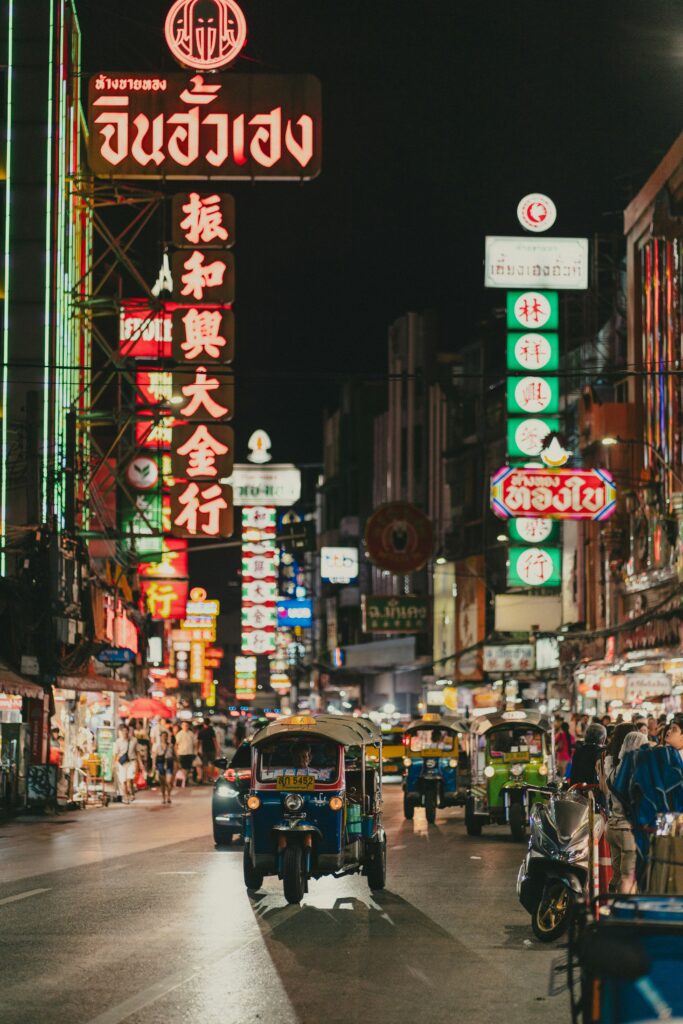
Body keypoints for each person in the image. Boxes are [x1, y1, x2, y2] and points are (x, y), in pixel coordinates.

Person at [604, 731, 649, 893]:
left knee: (616, 875)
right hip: (628, 831)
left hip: (612, 828)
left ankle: (611, 904)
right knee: (628, 877)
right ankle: (624, 912)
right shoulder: (636, 772)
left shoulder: (615, 769)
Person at [113, 724, 139, 804]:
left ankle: (131, 793)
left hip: (131, 762)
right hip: (122, 763)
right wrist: (113, 765)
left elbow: (137, 752)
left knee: (129, 779)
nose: (125, 733)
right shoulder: (118, 742)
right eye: (123, 731)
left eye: (126, 731)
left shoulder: (134, 740)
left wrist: (139, 764)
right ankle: (126, 796)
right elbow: (115, 754)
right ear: (120, 732)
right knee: (123, 781)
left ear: (128, 731)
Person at [152, 730, 174, 804]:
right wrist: (154, 765)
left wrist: (177, 763)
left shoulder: (170, 745)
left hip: (169, 763)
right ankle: (163, 797)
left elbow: (174, 754)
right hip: (160, 763)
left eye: (165, 736)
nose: (164, 738)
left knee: (168, 781)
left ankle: (169, 796)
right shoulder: (157, 746)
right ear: (160, 737)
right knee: (162, 783)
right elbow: (154, 756)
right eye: (162, 736)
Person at [175, 720, 196, 786]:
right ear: (181, 726)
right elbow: (176, 744)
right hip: (182, 753)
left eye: (186, 725)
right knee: (183, 768)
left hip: (190, 753)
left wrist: (195, 752)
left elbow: (194, 743)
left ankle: (185, 780)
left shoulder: (191, 733)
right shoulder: (179, 734)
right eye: (184, 725)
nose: (185, 727)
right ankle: (185, 780)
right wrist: (176, 753)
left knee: (188, 768)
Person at [197, 717, 219, 784]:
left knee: (205, 765)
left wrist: (197, 750)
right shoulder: (211, 730)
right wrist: (217, 749)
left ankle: (205, 778)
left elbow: (199, 742)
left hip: (204, 750)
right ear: (209, 723)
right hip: (212, 749)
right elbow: (214, 740)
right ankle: (211, 777)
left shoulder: (201, 731)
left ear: (204, 723)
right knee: (212, 763)